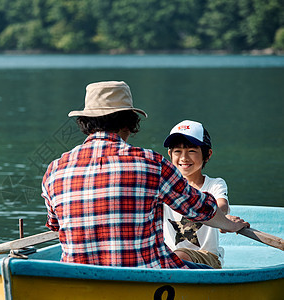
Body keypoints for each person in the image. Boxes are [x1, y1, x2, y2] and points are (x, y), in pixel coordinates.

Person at [41, 81, 249, 269]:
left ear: (85, 123)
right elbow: (200, 209)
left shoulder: (54, 170)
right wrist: (231, 225)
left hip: (78, 277)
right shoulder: (152, 164)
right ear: (128, 123)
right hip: (144, 276)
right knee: (206, 273)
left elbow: (54, 225)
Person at [162, 120, 229, 268]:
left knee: (178, 256)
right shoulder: (165, 187)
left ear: (208, 154)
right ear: (170, 154)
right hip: (171, 256)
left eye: (192, 151)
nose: (184, 158)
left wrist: (223, 218)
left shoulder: (214, 184)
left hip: (207, 257)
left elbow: (221, 206)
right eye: (177, 151)